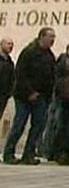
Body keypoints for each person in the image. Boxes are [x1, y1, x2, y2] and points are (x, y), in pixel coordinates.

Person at [3, 28, 56, 165]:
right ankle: (9, 153)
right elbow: (20, 74)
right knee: (19, 124)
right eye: (50, 36)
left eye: (54, 37)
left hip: (41, 97)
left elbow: (51, 77)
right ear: (41, 37)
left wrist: (48, 97)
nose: (53, 40)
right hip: (24, 96)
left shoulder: (50, 56)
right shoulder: (29, 52)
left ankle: (29, 154)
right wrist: (30, 92)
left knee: (37, 126)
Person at [0, 37, 15, 123]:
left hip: (3, 95)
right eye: (8, 43)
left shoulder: (10, 62)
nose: (11, 46)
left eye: (12, 44)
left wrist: (9, 92)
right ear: (1, 44)